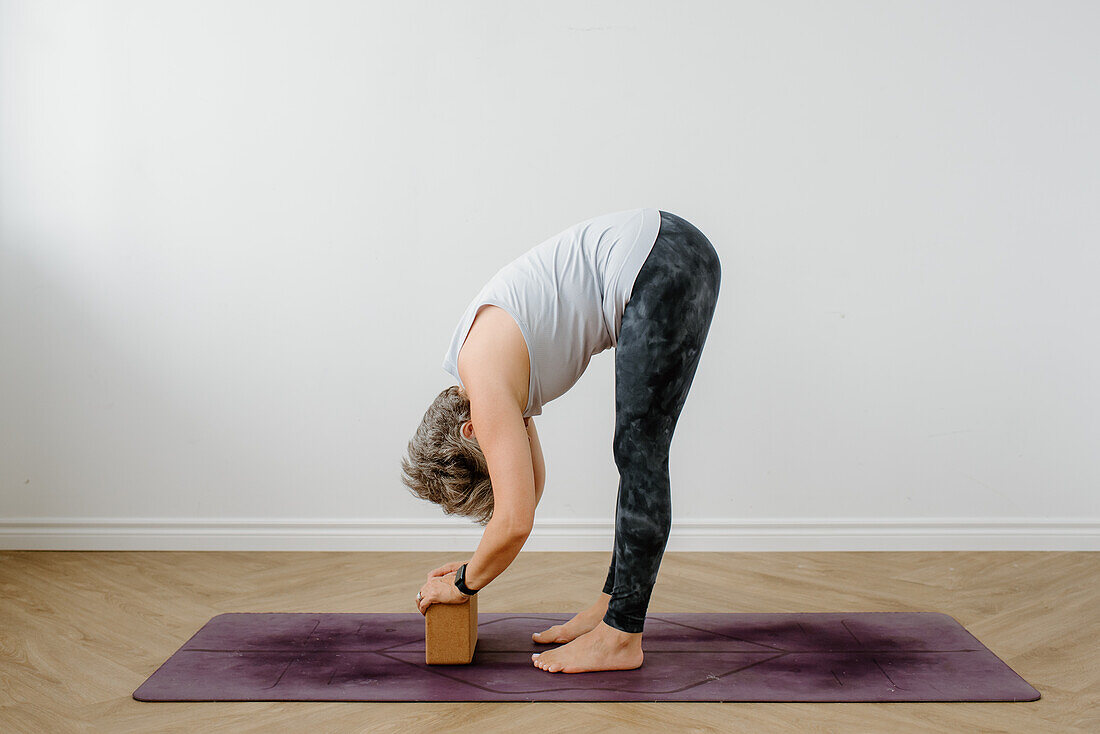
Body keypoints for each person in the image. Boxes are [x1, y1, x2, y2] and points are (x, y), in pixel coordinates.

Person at [400, 208, 721, 673]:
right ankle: (610, 608)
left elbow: (515, 521)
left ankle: (621, 637)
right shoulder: (488, 368)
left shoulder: (485, 384)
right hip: (671, 252)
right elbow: (529, 494)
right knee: (637, 451)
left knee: (639, 453)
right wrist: (474, 562)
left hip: (658, 263)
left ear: (472, 432)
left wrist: (465, 584)